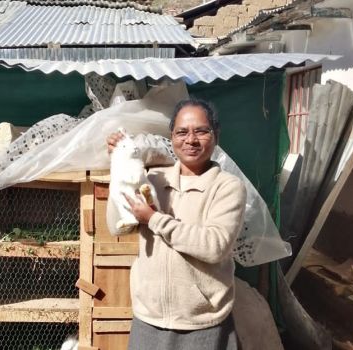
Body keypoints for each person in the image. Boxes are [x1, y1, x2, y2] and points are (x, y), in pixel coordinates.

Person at [106, 98, 247, 350]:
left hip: (202, 323)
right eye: (182, 132)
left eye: (201, 131)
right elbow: (116, 226)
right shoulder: (153, 179)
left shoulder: (227, 187)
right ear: (171, 136)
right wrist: (119, 168)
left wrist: (154, 219)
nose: (190, 140)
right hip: (149, 318)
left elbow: (214, 246)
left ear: (215, 135)